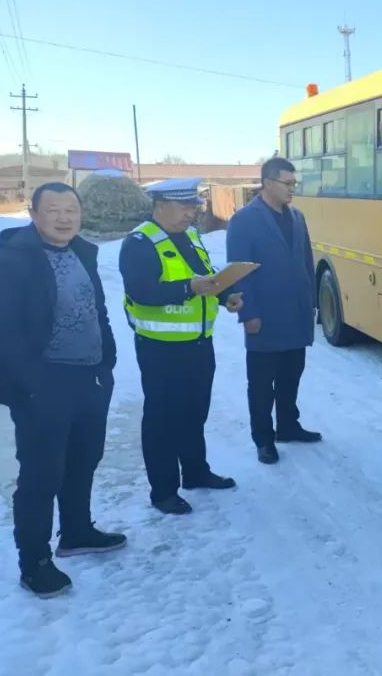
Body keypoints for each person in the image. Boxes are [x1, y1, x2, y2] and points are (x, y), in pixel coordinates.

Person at [0, 182, 124, 598]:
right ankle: (35, 562)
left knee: (84, 459)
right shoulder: (11, 261)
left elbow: (97, 310)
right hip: (43, 385)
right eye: (54, 210)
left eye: (71, 210)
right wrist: (35, 385)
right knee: (42, 474)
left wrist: (106, 362)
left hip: (89, 378)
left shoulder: (83, 253)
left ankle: (76, 531)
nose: (64, 218)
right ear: (34, 214)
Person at [119, 177, 243, 515]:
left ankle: (195, 472)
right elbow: (142, 291)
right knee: (162, 420)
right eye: (186, 206)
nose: (193, 213)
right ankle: (163, 491)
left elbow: (204, 277)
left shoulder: (189, 235)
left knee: (194, 413)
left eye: (195, 206)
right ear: (161, 205)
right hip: (161, 349)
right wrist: (189, 288)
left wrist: (223, 296)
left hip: (198, 344)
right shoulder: (140, 242)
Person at [226, 158, 321, 465]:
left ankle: (288, 426)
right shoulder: (244, 220)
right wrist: (248, 314)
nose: (293, 189)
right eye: (287, 183)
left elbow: (306, 262)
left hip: (296, 313)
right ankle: (264, 440)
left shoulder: (297, 217)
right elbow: (238, 271)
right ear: (267, 183)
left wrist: (313, 301)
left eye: (295, 183)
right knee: (262, 384)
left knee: (291, 375)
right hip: (264, 317)